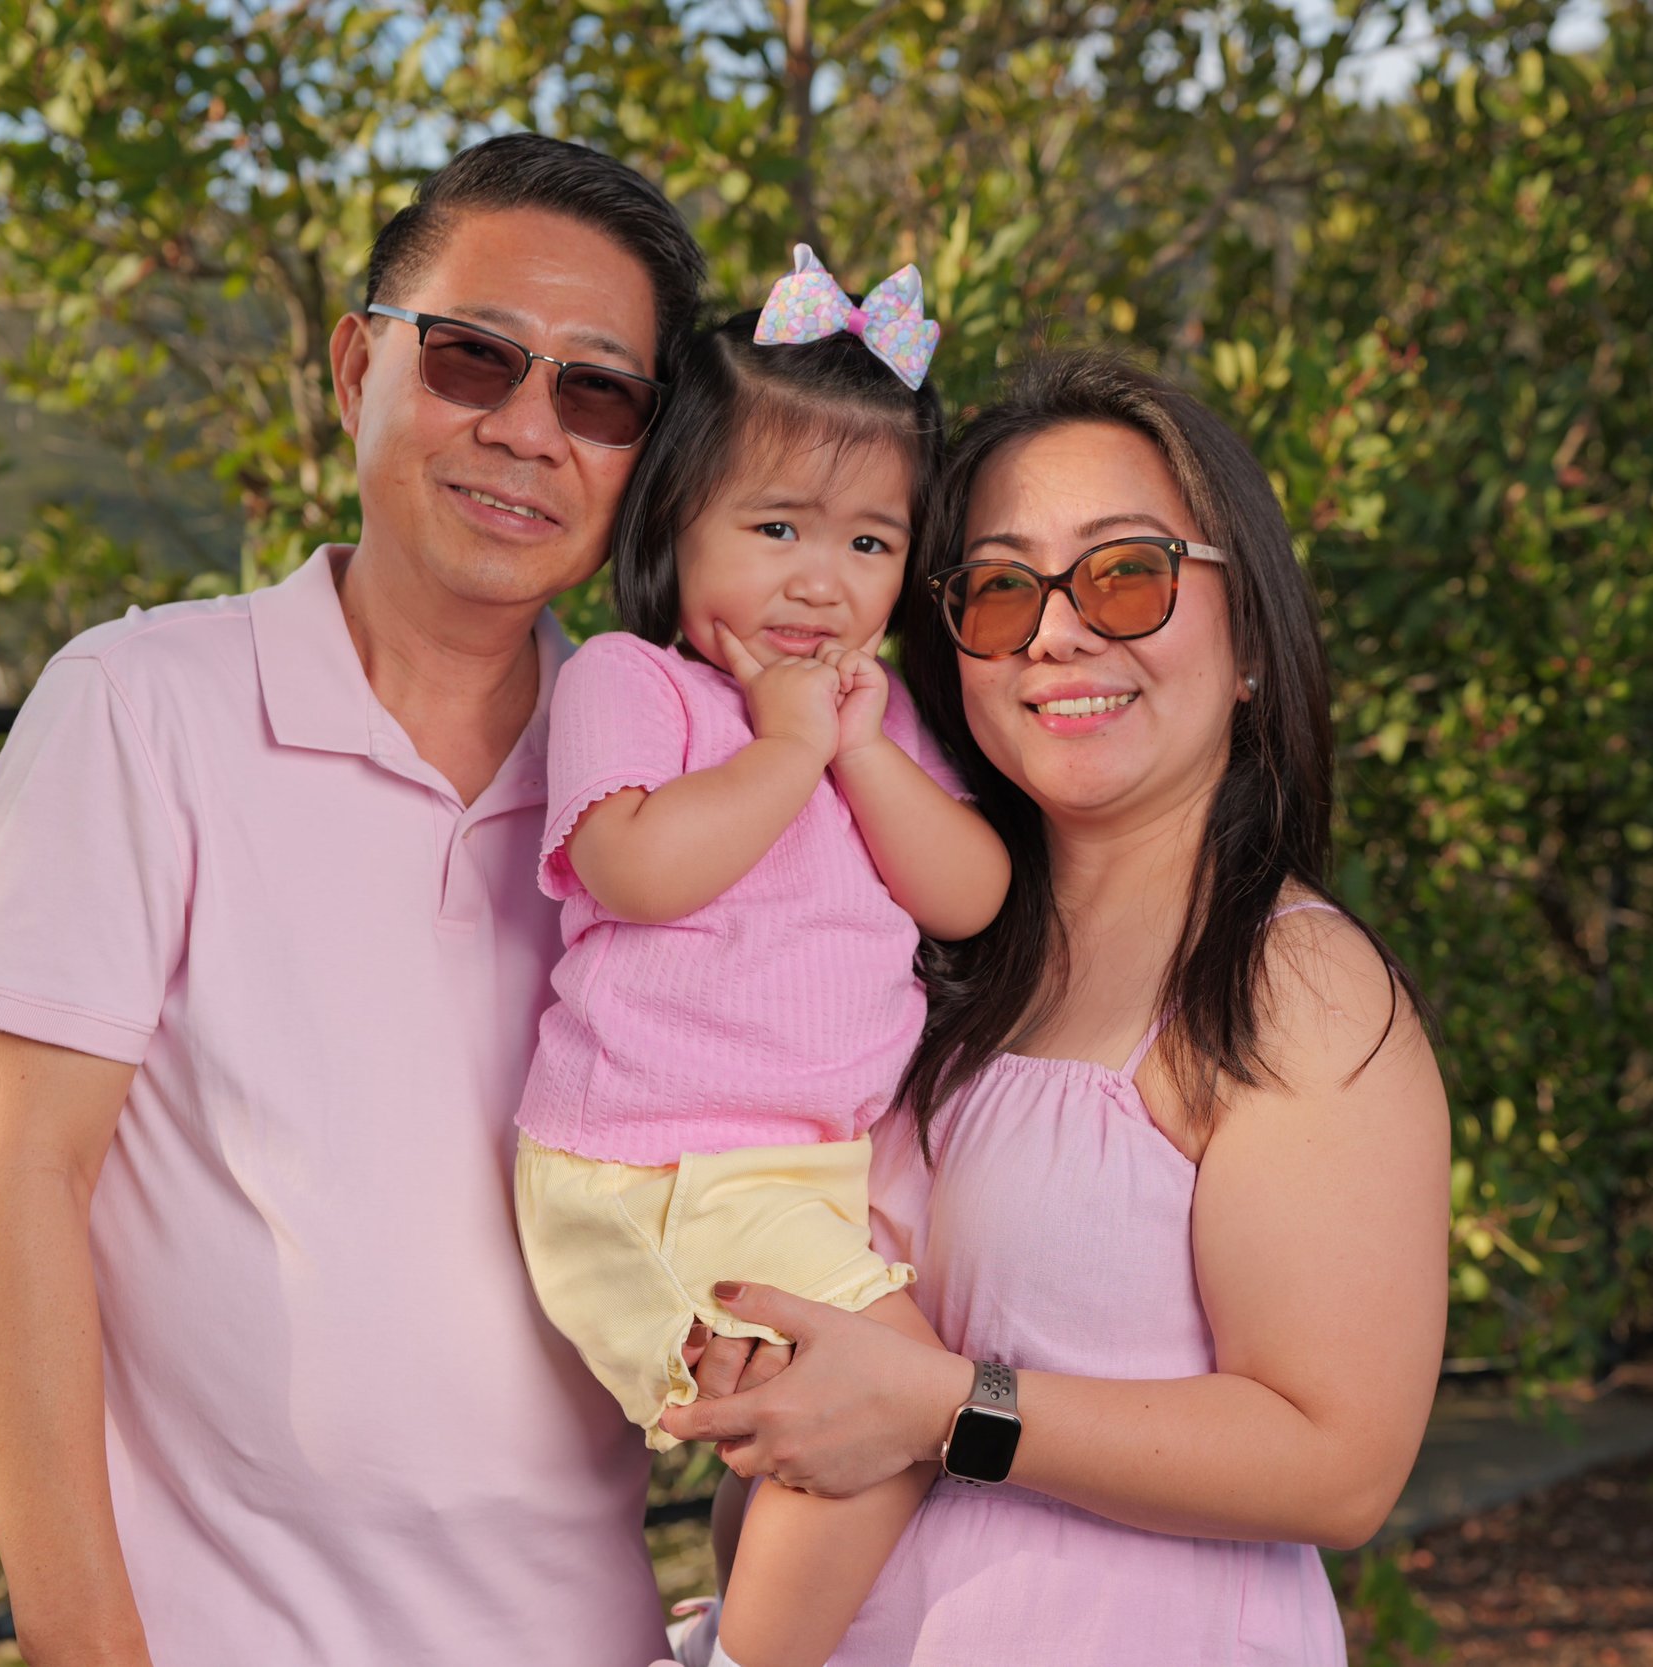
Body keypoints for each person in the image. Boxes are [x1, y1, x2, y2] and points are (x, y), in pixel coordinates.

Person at [0, 135, 706, 1666]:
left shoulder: (668, 796)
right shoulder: (138, 707)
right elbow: (12, 1187)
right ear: (357, 367)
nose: (527, 432)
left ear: (647, 456)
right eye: (475, 359)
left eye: (598, 393)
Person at [660, 353, 1452, 1664]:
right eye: (1001, 588)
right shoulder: (914, 953)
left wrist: (943, 1409)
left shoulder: (1291, 986)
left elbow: (1338, 1463)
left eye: (1126, 573)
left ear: (1249, 632)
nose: (1058, 632)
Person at [515, 245, 1009, 1667]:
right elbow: (639, 869)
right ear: (679, 524)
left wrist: (854, 751)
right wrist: (788, 747)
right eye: (777, 529)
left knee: (812, 1443)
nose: (822, 582)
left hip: (797, 1171)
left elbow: (969, 894)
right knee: (904, 1402)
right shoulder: (637, 682)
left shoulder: (874, 714)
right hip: (658, 1166)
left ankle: (730, 1629)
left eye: (868, 545)